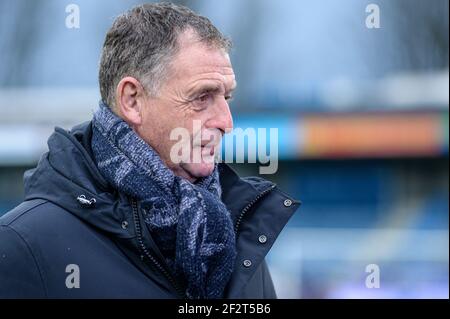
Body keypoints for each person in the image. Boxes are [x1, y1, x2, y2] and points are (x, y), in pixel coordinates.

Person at [0, 2, 300, 299]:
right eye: (201, 97)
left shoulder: (236, 234)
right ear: (132, 100)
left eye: (227, 97)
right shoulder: (23, 247)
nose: (226, 122)